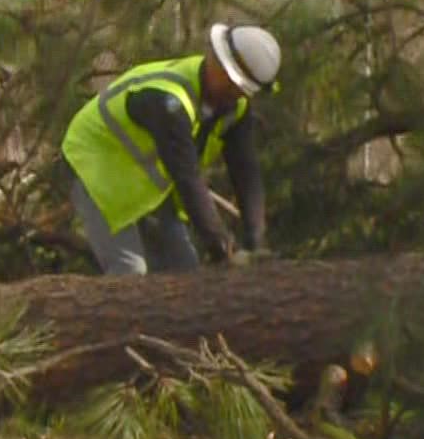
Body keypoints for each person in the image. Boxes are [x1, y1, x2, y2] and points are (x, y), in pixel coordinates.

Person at [60, 23, 281, 275]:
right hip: (97, 166)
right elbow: (187, 175)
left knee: (185, 273)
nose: (237, 95)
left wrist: (255, 240)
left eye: (243, 91)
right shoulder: (168, 101)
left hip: (144, 185)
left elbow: (246, 172)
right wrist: (224, 249)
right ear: (215, 62)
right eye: (233, 86)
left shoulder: (235, 107)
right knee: (130, 272)